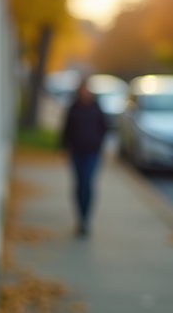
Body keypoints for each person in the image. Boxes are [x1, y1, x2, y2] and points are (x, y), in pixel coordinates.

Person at [60, 77, 109, 237]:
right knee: (79, 184)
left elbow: (104, 128)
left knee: (87, 183)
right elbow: (66, 129)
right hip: (76, 151)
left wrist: (101, 147)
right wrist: (64, 148)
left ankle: (86, 218)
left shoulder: (96, 108)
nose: (84, 92)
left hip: (92, 152)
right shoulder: (73, 108)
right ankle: (80, 217)